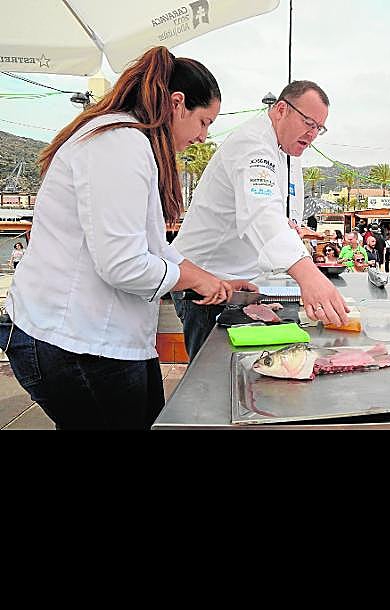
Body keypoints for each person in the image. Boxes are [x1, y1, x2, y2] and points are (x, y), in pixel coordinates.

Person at [2, 46, 232, 429]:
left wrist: (213, 280)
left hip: (103, 339)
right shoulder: (118, 143)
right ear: (177, 104)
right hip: (71, 340)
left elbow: (155, 249)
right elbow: (123, 264)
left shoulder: (133, 144)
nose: (203, 136)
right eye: (204, 121)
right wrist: (196, 280)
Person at [171, 79, 349, 360]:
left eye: (319, 128)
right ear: (281, 110)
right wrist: (309, 275)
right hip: (202, 284)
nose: (313, 133)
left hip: (237, 285)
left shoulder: (286, 150)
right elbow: (261, 213)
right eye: (308, 122)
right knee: (213, 380)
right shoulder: (252, 144)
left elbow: (280, 216)